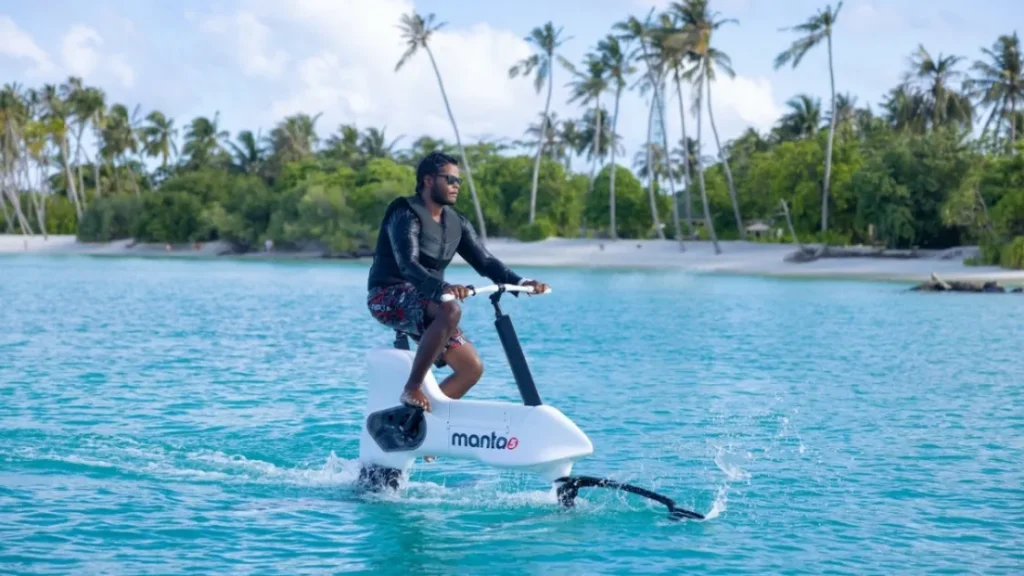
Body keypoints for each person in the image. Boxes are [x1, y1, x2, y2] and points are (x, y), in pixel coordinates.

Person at [366, 151, 548, 413]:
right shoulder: (404, 213)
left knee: (470, 368)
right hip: (387, 297)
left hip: (432, 301)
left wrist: (522, 282)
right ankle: (413, 388)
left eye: (459, 182)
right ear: (428, 180)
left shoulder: (456, 223)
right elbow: (407, 264)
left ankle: (418, 423)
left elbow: (485, 262)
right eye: (450, 179)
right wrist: (442, 289)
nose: (456, 186)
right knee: (451, 309)